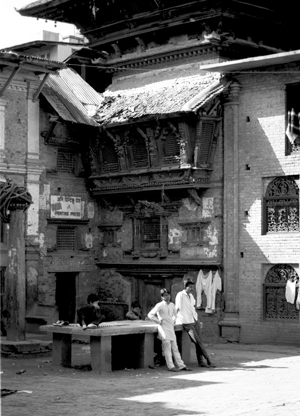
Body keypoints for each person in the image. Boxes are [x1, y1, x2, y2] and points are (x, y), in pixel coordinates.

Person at [148, 288, 192, 372]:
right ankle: (171, 366)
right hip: (163, 328)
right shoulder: (159, 305)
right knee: (167, 348)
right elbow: (150, 315)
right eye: (165, 296)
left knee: (175, 348)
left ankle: (181, 365)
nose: (167, 297)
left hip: (171, 327)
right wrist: (158, 321)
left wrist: (173, 320)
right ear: (162, 297)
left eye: (168, 295)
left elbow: (175, 314)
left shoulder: (172, 305)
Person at [175, 280, 216, 368]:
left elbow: (193, 309)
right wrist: (174, 319)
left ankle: (201, 361)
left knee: (199, 342)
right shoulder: (180, 295)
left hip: (194, 321)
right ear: (185, 287)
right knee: (198, 342)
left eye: (192, 287)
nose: (191, 289)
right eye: (190, 287)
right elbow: (177, 308)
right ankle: (208, 360)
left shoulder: (191, 296)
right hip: (186, 322)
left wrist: (197, 320)